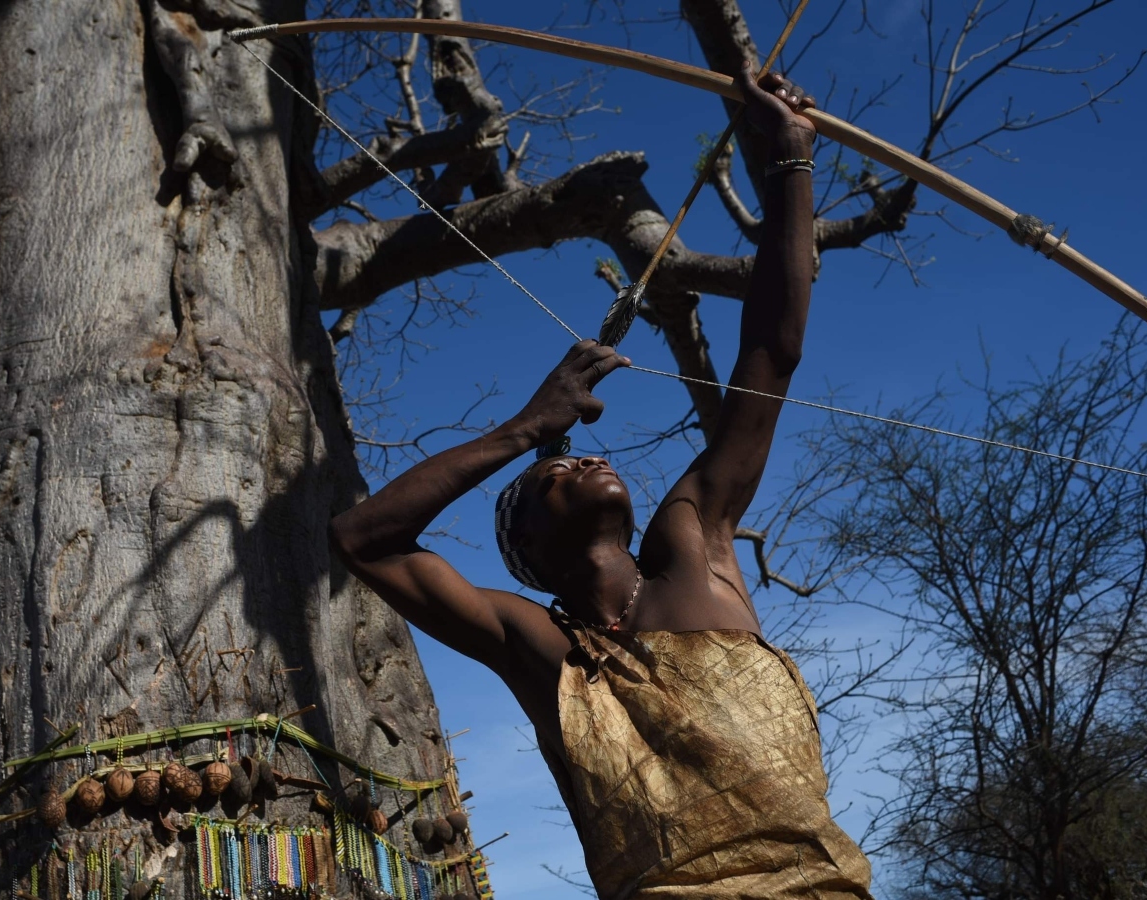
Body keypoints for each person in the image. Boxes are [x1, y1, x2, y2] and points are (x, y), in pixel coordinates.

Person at [329, 60, 872, 900]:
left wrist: (792, 158)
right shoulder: (545, 650)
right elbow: (363, 541)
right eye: (552, 476)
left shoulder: (697, 548)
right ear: (531, 552)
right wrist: (526, 428)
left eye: (575, 454)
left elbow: (772, 347)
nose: (580, 458)